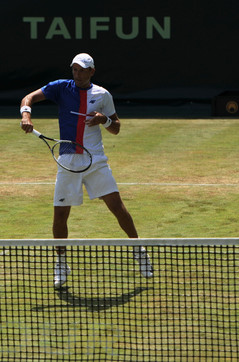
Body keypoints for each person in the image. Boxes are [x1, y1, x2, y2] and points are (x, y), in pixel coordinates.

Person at [19, 53, 153, 288]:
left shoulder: (103, 94)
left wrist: (104, 120)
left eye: (82, 70)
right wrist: (26, 115)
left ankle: (139, 251)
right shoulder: (60, 88)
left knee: (117, 207)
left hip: (96, 161)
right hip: (68, 160)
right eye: (74, 69)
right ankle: (61, 263)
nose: (77, 74)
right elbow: (28, 97)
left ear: (92, 71)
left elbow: (117, 128)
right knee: (60, 215)